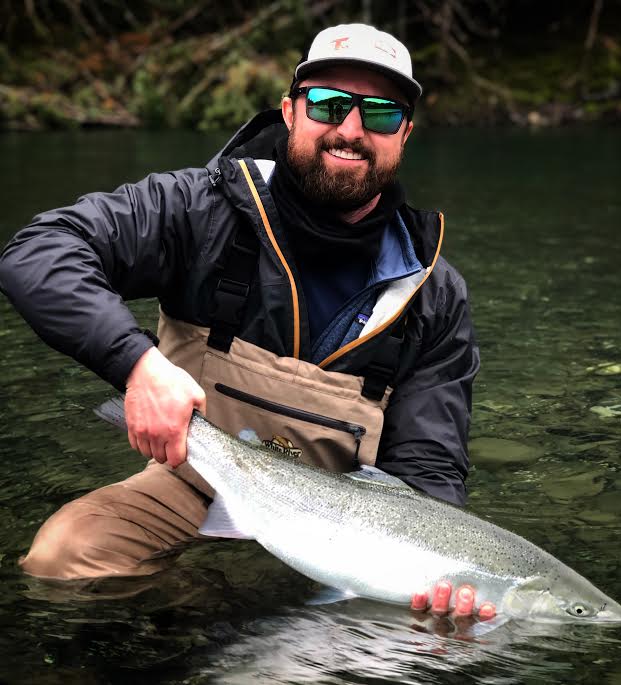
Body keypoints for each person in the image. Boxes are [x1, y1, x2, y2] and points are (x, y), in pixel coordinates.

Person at [0, 24, 490, 620]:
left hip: (353, 528)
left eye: (382, 114)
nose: (352, 130)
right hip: (196, 482)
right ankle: (210, 613)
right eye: (329, 105)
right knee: (64, 559)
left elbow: (427, 471)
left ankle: (259, 622)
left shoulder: (434, 293)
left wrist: (449, 576)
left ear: (405, 135)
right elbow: (41, 250)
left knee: (429, 630)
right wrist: (136, 363)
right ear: (289, 112)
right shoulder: (200, 209)